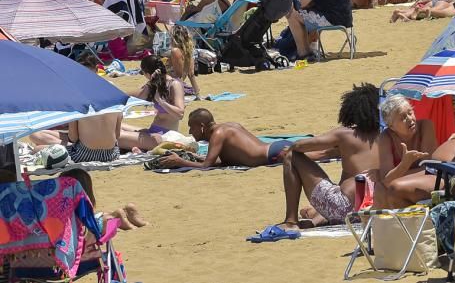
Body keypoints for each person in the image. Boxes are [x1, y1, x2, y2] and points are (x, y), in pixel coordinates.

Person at [263, 83, 382, 237]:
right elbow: (326, 153)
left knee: (291, 156)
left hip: (342, 208)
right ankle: (317, 219)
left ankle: (291, 221)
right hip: (368, 209)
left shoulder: (345, 135)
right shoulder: (385, 136)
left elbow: (303, 145)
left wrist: (291, 149)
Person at [154, 109, 296, 169]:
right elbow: (223, 159)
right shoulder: (228, 126)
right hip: (276, 147)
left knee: (317, 155)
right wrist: (195, 156)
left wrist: (180, 161)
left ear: (202, 127)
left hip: (274, 155)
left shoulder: (218, 134)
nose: (190, 131)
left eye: (192, 127)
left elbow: (206, 167)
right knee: (315, 153)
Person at [117, 55, 185, 151]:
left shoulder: (174, 84)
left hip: (164, 137)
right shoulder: (155, 84)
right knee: (117, 126)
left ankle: (138, 148)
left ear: (147, 73)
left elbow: (180, 114)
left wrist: (161, 102)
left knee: (115, 135)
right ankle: (137, 148)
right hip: (153, 132)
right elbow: (138, 96)